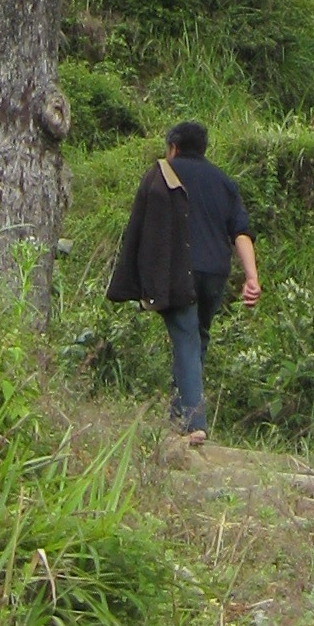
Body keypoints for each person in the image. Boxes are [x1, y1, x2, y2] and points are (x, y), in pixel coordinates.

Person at [106, 120, 260, 442]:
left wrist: (136, 280)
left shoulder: (161, 174)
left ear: (173, 147)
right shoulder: (223, 182)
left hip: (179, 273)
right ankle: (180, 416)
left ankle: (193, 424)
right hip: (216, 275)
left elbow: (140, 230)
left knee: (187, 341)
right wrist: (251, 277)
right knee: (196, 338)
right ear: (203, 149)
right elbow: (241, 232)